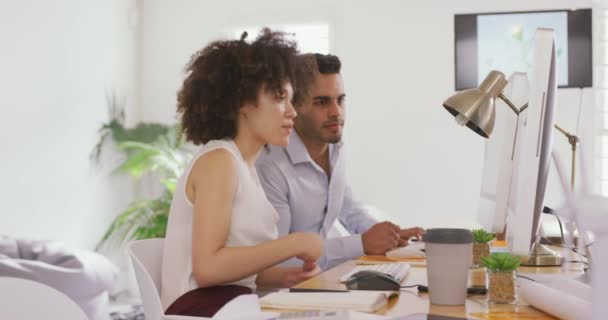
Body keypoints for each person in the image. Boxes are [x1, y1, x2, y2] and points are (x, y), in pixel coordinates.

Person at [160, 30, 323, 317]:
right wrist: (293, 243)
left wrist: (285, 277)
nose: (292, 112)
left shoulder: (245, 166)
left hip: (229, 302)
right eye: (279, 97)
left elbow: (239, 272)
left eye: (291, 99)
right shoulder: (219, 162)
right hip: (200, 310)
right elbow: (209, 269)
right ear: (242, 102)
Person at [256, 53, 424, 270]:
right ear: (293, 106)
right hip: (282, 294)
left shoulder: (334, 145)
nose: (336, 112)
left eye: (341, 100)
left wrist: (391, 236)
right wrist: (361, 244)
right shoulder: (270, 165)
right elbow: (275, 260)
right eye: (322, 102)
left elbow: (350, 209)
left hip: (323, 280)